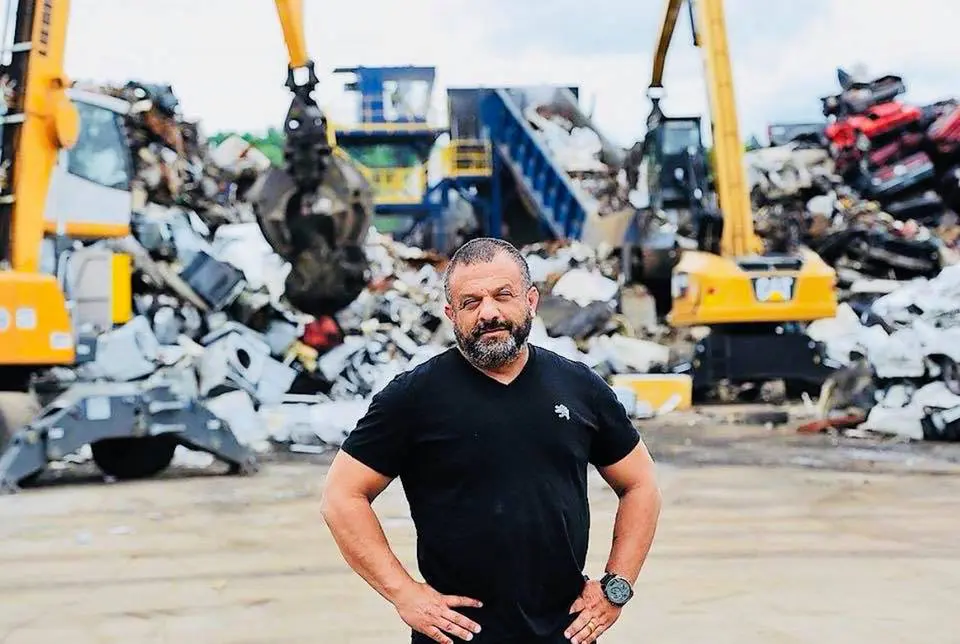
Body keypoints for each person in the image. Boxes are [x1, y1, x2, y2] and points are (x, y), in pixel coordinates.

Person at [321, 238, 662, 643]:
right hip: (456, 635)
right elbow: (342, 496)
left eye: (503, 295)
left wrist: (616, 587)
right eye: (471, 302)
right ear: (451, 314)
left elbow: (640, 484)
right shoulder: (413, 397)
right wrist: (404, 593)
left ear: (531, 301)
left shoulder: (579, 387)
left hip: (566, 631)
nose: (489, 313)